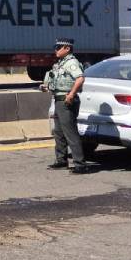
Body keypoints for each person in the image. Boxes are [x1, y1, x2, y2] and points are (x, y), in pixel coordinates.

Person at [42, 37, 89, 174]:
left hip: (66, 101)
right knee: (59, 132)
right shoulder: (61, 63)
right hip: (58, 100)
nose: (55, 50)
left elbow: (80, 78)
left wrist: (71, 94)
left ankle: (80, 164)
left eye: (58, 47)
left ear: (67, 48)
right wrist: (47, 87)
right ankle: (61, 160)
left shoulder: (71, 62)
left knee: (70, 133)